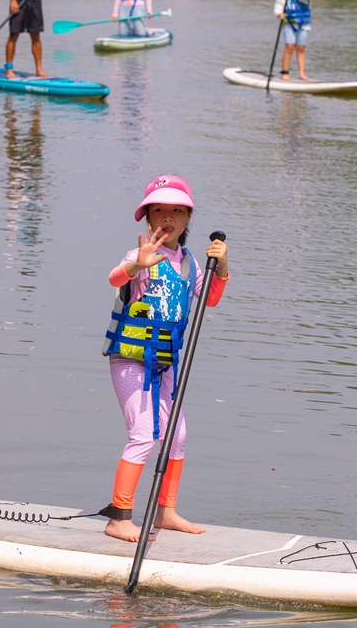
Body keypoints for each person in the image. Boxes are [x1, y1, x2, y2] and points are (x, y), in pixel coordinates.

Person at [99, 176, 230, 543]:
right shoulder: (137, 255)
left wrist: (221, 268)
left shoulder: (190, 263)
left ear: (188, 217)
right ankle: (119, 517)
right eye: (159, 209)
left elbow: (210, 299)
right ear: (147, 216)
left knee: (176, 435)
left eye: (176, 210)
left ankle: (165, 512)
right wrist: (135, 266)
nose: (167, 217)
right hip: (131, 360)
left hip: (166, 362)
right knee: (143, 434)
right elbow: (113, 279)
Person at [274, 0, 312, 81]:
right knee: (289, 47)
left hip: (303, 23)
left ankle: (301, 73)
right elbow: (279, 4)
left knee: (300, 48)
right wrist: (279, 13)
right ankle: (285, 72)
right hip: (289, 23)